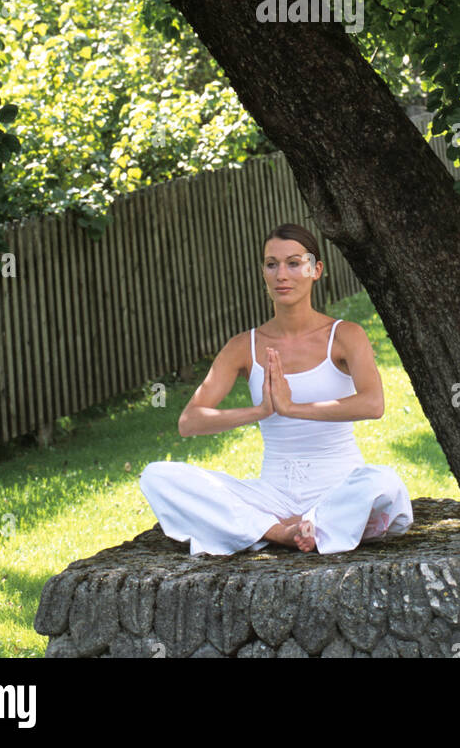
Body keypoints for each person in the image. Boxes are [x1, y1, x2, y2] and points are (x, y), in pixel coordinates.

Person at [139, 223, 413, 555]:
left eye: (294, 263)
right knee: (157, 476)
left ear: (316, 270)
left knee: (385, 484)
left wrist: (292, 408)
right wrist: (261, 411)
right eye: (272, 264)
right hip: (272, 496)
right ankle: (281, 531)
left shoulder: (345, 335)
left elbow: (373, 404)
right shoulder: (244, 345)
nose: (282, 274)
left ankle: (304, 521)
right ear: (263, 273)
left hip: (339, 486)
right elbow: (190, 421)